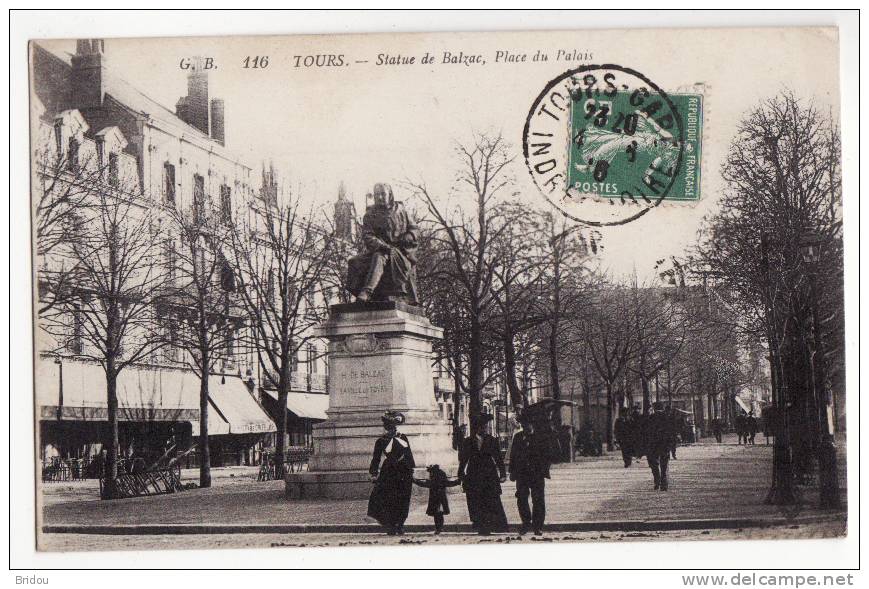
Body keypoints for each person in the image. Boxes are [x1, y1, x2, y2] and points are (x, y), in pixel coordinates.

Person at [346, 183, 419, 304]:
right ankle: (370, 294)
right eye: (377, 194)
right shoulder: (370, 215)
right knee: (354, 261)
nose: (379, 197)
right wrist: (381, 245)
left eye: (383, 194)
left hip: (400, 252)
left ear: (389, 194)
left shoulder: (401, 211)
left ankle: (367, 292)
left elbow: (415, 230)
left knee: (379, 256)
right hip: (380, 248)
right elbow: (367, 235)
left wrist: (408, 236)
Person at [458, 413, 509, 535]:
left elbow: (498, 459)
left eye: (485, 427)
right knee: (476, 501)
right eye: (481, 427)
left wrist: (502, 474)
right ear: (476, 428)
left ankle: (491, 525)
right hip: (473, 474)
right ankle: (480, 525)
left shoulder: (491, 440)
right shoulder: (468, 441)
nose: (484, 429)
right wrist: (460, 474)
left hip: (489, 474)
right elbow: (464, 460)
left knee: (490, 500)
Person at [509, 412, 559, 535]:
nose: (527, 427)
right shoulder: (518, 437)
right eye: (525, 425)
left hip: (537, 474)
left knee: (538, 500)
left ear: (533, 425)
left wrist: (544, 469)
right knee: (521, 499)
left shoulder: (541, 438)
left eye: (529, 424)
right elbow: (513, 455)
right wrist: (512, 471)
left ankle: (538, 526)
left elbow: (549, 455)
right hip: (522, 474)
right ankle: (526, 523)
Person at [367, 411, 416, 535]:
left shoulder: (403, 438)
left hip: (404, 471)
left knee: (403, 498)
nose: (392, 429)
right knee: (389, 499)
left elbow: (409, 454)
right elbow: (376, 458)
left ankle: (400, 524)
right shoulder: (381, 441)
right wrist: (373, 473)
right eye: (390, 427)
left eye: (394, 427)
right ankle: (391, 525)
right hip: (389, 471)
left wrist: (411, 469)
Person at [413, 464, 461, 534]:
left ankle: (438, 528)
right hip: (441, 499)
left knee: (437, 515)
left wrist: (414, 480)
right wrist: (458, 481)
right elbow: (450, 483)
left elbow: (423, 484)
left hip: (435, 500)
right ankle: (439, 528)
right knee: (439, 514)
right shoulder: (441, 477)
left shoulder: (433, 480)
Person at [643, 401, 675, 491]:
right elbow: (671, 432)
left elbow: (646, 432)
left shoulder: (650, 418)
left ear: (654, 408)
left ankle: (657, 481)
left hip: (653, 444)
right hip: (664, 444)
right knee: (664, 464)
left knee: (654, 463)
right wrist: (670, 444)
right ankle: (664, 483)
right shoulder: (667, 418)